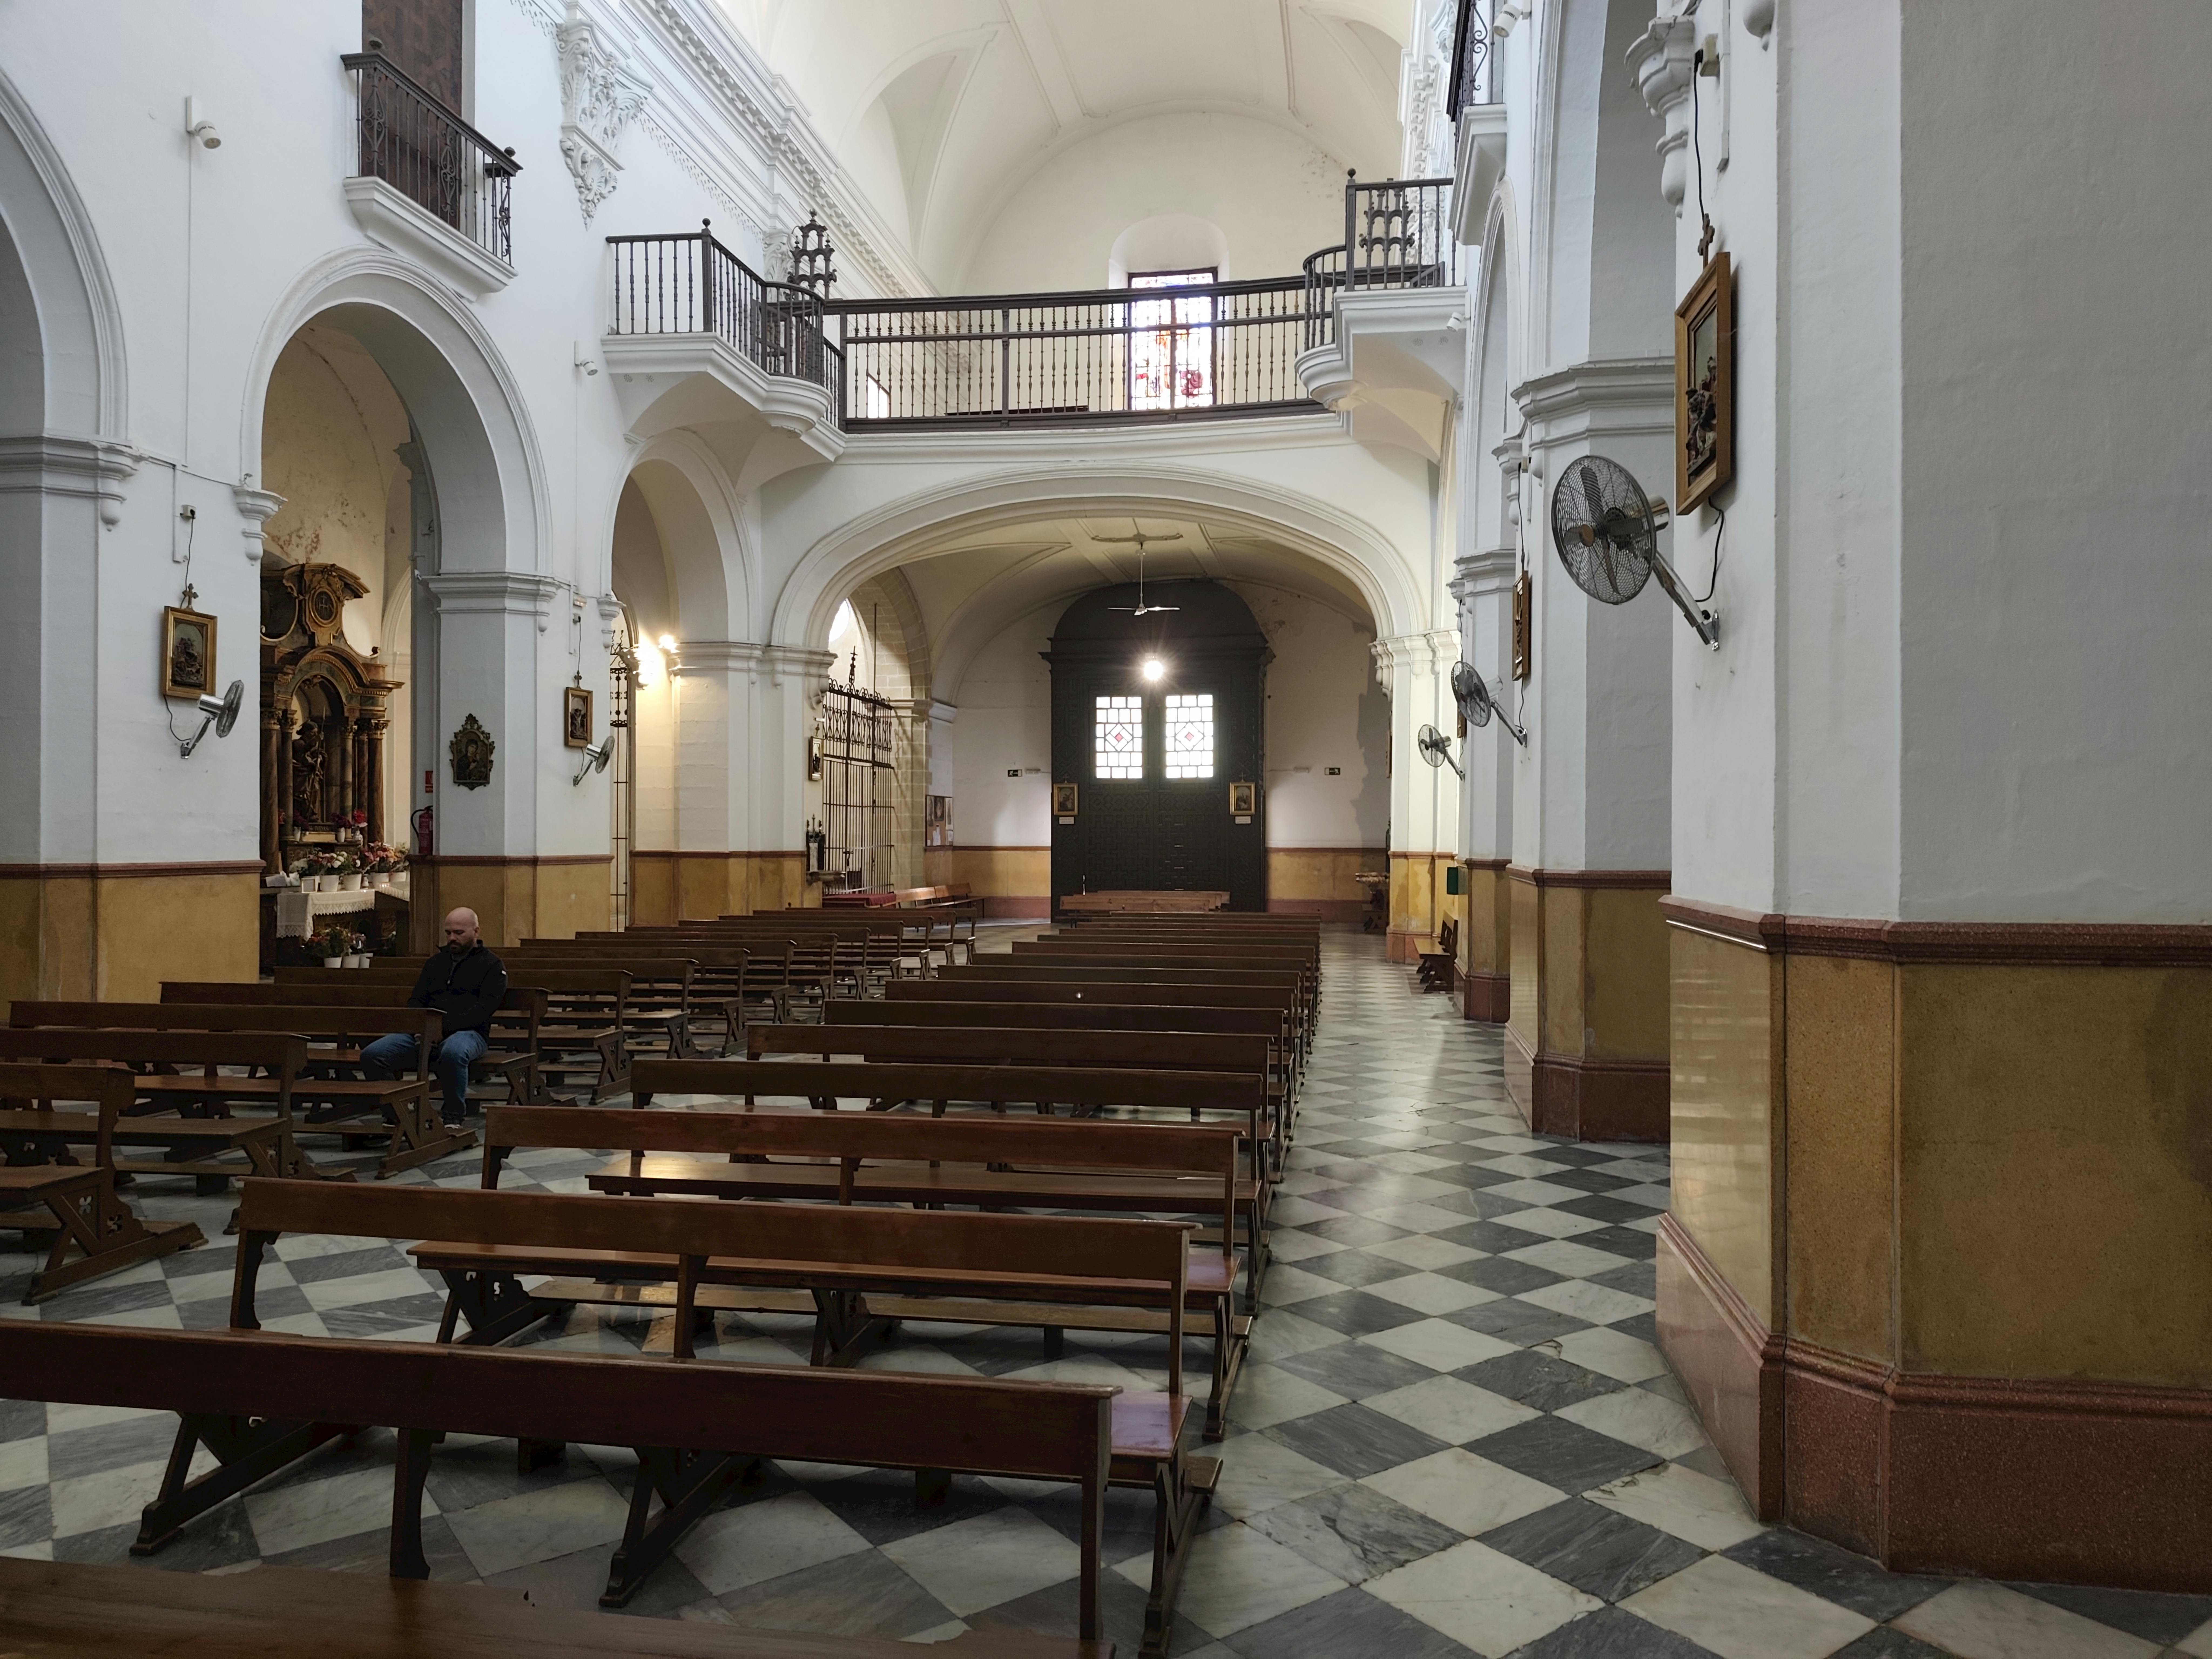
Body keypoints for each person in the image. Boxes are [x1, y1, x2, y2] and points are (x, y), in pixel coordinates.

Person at [360, 908, 506, 1127]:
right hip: (424, 1031)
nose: (452, 938)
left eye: (459, 933)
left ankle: (453, 1117)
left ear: (476, 931)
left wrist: (441, 1030)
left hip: (470, 1033)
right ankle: (397, 1113)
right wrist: (420, 1027)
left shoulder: (492, 966)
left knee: (453, 1052)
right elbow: (417, 1000)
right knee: (373, 1055)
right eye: (448, 933)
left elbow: (483, 1010)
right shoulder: (436, 963)